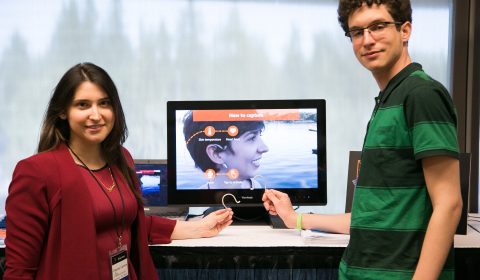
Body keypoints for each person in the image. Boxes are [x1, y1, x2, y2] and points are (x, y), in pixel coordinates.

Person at [262, 0, 462, 279]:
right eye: (357, 32)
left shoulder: (421, 94)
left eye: (378, 26)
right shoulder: (389, 99)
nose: (367, 40)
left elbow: (449, 204)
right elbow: (373, 216)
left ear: (405, 30)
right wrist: (293, 217)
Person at [4, 62, 233, 280]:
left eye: (104, 103)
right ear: (63, 111)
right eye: (83, 105)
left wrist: (198, 227)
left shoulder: (121, 158)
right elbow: (19, 270)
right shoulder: (37, 172)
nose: (96, 115)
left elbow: (129, 222)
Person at [182, 110, 269, 189]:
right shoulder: (198, 204)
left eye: (259, 134)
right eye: (252, 138)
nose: (265, 148)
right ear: (216, 154)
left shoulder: (257, 187)